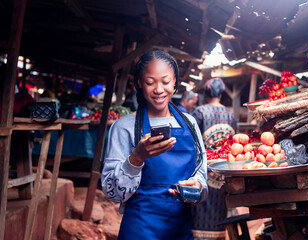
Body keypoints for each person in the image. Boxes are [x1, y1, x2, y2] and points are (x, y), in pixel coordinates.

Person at [101, 50, 208, 240]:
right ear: (139, 83)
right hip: (140, 230)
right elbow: (112, 193)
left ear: (175, 81)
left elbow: (201, 171)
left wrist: (198, 185)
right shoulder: (124, 127)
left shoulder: (190, 124)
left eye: (165, 82)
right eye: (150, 82)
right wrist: (136, 158)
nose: (159, 89)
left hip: (180, 230)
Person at [191, 77, 238, 240]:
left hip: (202, 173)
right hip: (222, 174)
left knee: (200, 208)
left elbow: (192, 143)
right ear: (221, 93)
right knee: (219, 210)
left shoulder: (200, 112)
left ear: (206, 93)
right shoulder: (230, 115)